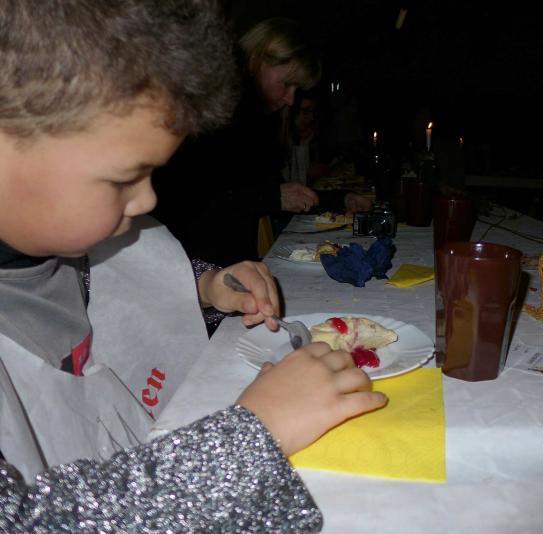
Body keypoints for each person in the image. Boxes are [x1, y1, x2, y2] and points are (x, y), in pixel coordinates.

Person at [0, 1, 386, 531]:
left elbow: (103, 289)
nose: (146, 200)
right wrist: (252, 435)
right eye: (124, 178)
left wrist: (204, 287)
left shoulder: (48, 247)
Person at [152, 17, 370, 267]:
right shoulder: (215, 112)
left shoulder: (257, 120)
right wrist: (272, 197)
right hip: (196, 267)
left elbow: (269, 192)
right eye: (286, 84)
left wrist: (338, 200)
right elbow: (183, 200)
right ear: (257, 60)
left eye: (296, 89)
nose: (291, 99)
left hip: (232, 262)